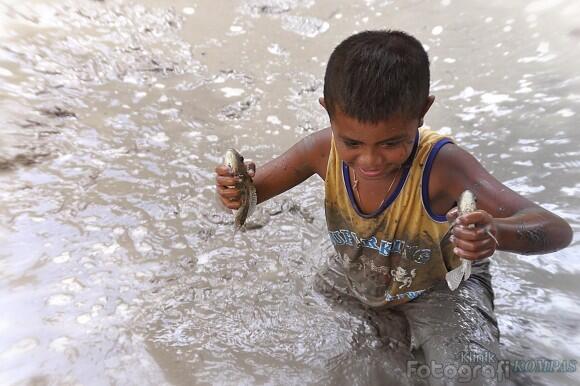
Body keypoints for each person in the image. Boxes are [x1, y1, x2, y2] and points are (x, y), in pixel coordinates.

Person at [214, 30, 573, 385]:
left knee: (468, 376)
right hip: (361, 270)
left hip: (439, 285)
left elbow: (555, 228)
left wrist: (495, 232)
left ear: (422, 111)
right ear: (328, 113)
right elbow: (252, 193)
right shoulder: (321, 151)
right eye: (352, 142)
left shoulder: (444, 168)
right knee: (352, 364)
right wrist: (236, 188)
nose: (370, 160)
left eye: (391, 143)